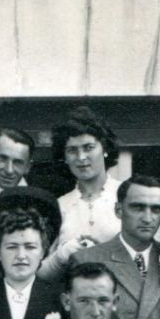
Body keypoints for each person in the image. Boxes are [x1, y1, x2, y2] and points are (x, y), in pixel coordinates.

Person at [54, 177, 160, 319]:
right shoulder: (86, 259)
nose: (147, 218)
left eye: (156, 209)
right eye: (138, 207)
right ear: (118, 210)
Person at [46, 109, 122, 257]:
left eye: (89, 148)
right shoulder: (59, 206)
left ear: (105, 149)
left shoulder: (126, 195)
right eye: (72, 150)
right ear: (65, 157)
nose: (81, 157)